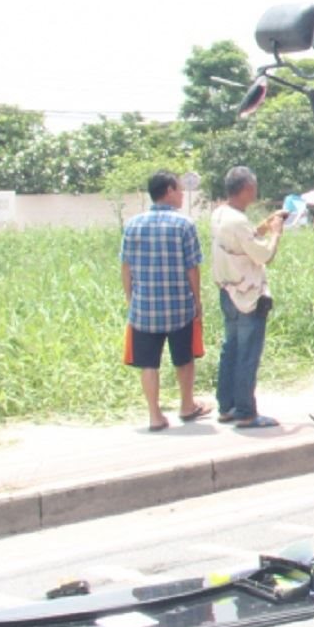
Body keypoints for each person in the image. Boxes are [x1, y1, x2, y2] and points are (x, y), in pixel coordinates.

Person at [119, 170, 209, 431]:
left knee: (148, 364)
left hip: (144, 308)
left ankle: (155, 415)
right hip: (179, 306)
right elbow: (192, 268)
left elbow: (126, 267)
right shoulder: (184, 225)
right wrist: (197, 301)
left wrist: (130, 298)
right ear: (168, 190)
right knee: (184, 358)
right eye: (179, 190)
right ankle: (186, 405)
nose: (182, 195)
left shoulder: (133, 224)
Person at [211, 166, 286, 429]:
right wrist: (276, 231)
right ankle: (245, 411)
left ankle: (226, 405)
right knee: (247, 353)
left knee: (230, 349)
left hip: (227, 292)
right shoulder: (238, 221)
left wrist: (265, 225)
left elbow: (242, 242)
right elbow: (264, 256)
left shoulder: (221, 214)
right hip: (247, 295)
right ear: (245, 189)